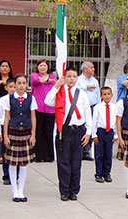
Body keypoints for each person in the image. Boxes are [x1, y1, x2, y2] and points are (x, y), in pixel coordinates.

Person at [45, 66, 92, 201]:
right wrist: (56, 86)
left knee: (76, 162)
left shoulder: (81, 93)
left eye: (74, 76)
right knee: (64, 162)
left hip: (79, 131)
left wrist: (88, 132)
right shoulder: (60, 92)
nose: (71, 79)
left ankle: (74, 190)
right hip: (64, 132)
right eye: (69, 76)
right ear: (64, 78)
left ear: (77, 78)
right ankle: (64, 191)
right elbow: (47, 101)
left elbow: (87, 113)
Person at [3, 74, 37, 202]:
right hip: (13, 132)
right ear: (15, 85)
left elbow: (33, 117)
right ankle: (14, 190)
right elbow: (7, 118)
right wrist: (5, 135)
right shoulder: (9, 99)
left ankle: (21, 190)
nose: (22, 86)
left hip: (26, 133)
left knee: (24, 163)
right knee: (12, 162)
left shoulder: (31, 99)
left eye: (24, 83)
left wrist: (33, 134)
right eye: (19, 83)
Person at [30, 59, 56, 162]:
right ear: (37, 67)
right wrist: (47, 80)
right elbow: (37, 81)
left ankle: (49, 156)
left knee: (48, 132)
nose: (43, 67)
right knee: (38, 131)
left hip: (50, 108)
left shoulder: (53, 77)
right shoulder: (34, 75)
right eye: (41, 65)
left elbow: (56, 85)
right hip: (39, 107)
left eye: (45, 65)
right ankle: (38, 155)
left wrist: (48, 80)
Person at [91, 87, 118, 183]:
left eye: (108, 94)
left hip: (109, 132)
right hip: (100, 132)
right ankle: (98, 174)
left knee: (108, 154)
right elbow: (94, 121)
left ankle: (107, 173)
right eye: (104, 94)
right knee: (99, 154)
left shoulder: (115, 107)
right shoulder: (97, 107)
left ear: (111, 95)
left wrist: (116, 135)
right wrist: (94, 134)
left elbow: (116, 122)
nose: (106, 96)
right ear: (101, 96)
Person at [0, 78, 17, 185]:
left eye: (14, 87)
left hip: (16, 128)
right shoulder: (2, 100)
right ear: (6, 88)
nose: (13, 89)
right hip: (5, 128)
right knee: (6, 153)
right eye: (10, 87)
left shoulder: (20, 100)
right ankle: (6, 175)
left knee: (17, 153)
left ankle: (16, 175)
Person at [77, 61, 99, 161]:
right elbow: (75, 89)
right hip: (81, 108)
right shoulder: (78, 80)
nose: (93, 69)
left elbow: (97, 95)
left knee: (91, 128)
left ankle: (87, 151)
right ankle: (80, 151)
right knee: (82, 129)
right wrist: (85, 87)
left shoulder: (94, 81)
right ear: (85, 69)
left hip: (93, 107)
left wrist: (99, 107)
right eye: (91, 67)